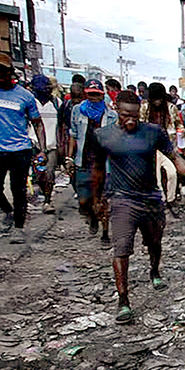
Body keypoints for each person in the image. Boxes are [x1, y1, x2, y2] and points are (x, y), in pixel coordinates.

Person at [97, 91, 185, 324]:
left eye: (134, 116)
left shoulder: (153, 132)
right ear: (115, 110)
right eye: (125, 115)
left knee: (155, 242)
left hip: (150, 198)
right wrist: (97, 199)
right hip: (122, 200)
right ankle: (123, 301)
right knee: (121, 249)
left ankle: (155, 271)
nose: (130, 120)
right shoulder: (103, 135)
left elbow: (173, 155)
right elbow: (96, 169)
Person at [0, 52, 47, 243]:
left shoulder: (25, 96)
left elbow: (38, 123)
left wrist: (41, 149)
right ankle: (7, 211)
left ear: (10, 71)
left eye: (2, 70)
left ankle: (19, 227)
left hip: (19, 149)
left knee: (19, 191)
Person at [69, 79, 116, 247]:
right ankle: (92, 219)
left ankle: (105, 234)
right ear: (86, 94)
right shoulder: (77, 111)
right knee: (84, 201)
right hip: (84, 160)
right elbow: (73, 135)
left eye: (97, 95)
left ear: (102, 95)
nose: (94, 98)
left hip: (105, 164)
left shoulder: (111, 116)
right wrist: (69, 158)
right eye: (91, 94)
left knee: (104, 200)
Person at [141, 83, 184, 205]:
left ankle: (171, 199)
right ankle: (159, 200)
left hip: (167, 147)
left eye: (159, 99)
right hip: (149, 148)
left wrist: (181, 132)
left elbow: (179, 124)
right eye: (154, 99)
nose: (157, 102)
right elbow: (140, 125)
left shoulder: (171, 108)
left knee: (172, 173)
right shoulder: (144, 108)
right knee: (156, 177)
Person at [29, 75, 59, 213]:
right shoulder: (30, 103)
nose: (46, 89)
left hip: (52, 146)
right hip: (35, 146)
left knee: (50, 173)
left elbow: (61, 125)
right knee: (40, 175)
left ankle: (47, 201)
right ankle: (44, 192)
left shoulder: (56, 103)